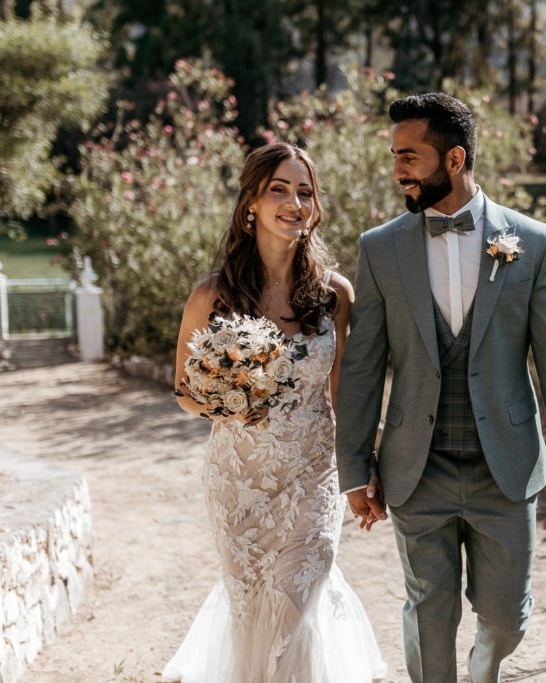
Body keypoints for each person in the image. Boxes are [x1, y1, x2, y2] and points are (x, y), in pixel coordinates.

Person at [336, 93, 546, 683]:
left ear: (454, 159)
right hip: (414, 469)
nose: (398, 168)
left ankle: (483, 673)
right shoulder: (379, 248)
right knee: (430, 611)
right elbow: (361, 367)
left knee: (506, 620)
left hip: (504, 469)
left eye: (410, 155)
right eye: (395, 155)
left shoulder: (532, 242)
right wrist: (354, 469)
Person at [165, 143, 386, 683]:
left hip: (313, 477)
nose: (294, 202)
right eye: (279, 190)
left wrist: (365, 470)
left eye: (304, 192)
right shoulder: (212, 296)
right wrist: (231, 399)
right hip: (239, 483)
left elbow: (343, 398)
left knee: (295, 606)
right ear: (251, 205)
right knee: (251, 616)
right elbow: (183, 391)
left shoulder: (336, 294)